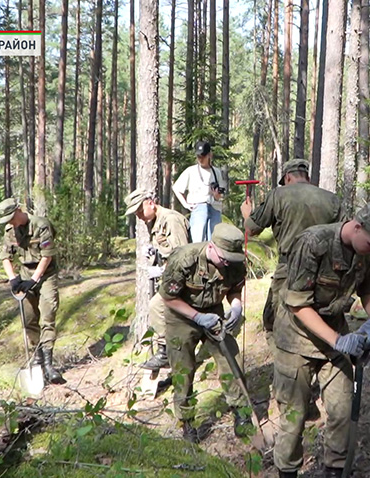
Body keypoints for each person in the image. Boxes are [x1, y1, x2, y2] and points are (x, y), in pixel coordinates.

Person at [274, 202, 370, 478]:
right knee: (293, 418)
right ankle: (287, 471)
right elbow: (297, 305)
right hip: (297, 339)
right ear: (357, 227)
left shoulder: (366, 251)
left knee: (343, 408)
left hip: (334, 332)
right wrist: (338, 341)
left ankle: (335, 469)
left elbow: (369, 286)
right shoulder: (313, 243)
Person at [157, 223, 251, 442]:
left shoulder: (235, 263)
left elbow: (235, 288)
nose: (227, 263)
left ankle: (241, 412)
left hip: (214, 310)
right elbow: (169, 297)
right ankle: (187, 422)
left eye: (231, 259)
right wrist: (197, 318)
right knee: (183, 369)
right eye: (223, 258)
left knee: (230, 357)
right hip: (180, 315)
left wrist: (236, 306)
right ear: (211, 247)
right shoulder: (184, 259)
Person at [240, 159, 343, 348]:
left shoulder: (278, 195)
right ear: (307, 177)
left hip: (289, 269)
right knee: (320, 315)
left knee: (276, 320)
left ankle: (285, 364)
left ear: (287, 177)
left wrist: (247, 214)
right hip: (325, 271)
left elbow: (251, 230)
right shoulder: (332, 199)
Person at [0, 197, 65, 384]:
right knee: (28, 319)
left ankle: (49, 364)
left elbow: (47, 256)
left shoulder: (41, 225)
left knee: (48, 314)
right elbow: (5, 256)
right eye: (7, 220)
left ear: (19, 210)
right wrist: (13, 279)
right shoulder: (9, 230)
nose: (11, 222)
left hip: (45, 275)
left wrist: (34, 280)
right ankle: (37, 360)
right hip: (25, 274)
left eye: (12, 217)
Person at [122, 188, 190, 370]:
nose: (139, 216)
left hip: (183, 277)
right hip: (171, 276)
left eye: (140, 211)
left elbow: (182, 254)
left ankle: (165, 351)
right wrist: (154, 252)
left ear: (151, 203)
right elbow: (165, 248)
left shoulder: (171, 219)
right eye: (135, 213)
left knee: (156, 305)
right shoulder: (155, 221)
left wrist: (162, 270)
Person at [173, 140, 225, 243]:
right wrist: (186, 204)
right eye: (198, 156)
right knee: (198, 241)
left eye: (203, 156)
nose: (200, 159)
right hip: (198, 208)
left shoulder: (216, 172)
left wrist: (216, 195)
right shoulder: (190, 171)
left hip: (215, 208)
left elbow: (220, 195)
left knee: (214, 242)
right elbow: (176, 188)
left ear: (209, 155)